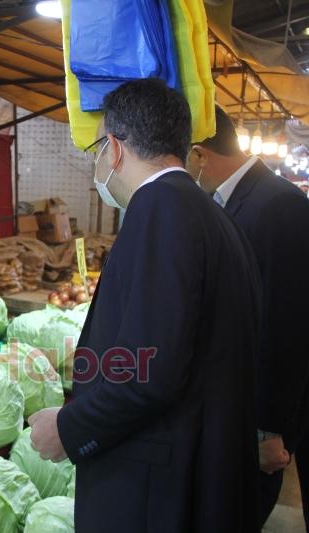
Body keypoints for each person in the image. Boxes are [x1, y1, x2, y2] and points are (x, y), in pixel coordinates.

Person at [29, 79, 261, 532]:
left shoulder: (161, 210)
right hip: (203, 471)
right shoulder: (212, 216)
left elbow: (149, 371)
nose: (99, 163)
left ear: (114, 149)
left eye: (98, 149)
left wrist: (70, 428)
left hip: (158, 489)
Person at [188, 106, 309, 529]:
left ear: (199, 155)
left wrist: (268, 429)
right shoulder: (231, 200)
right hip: (235, 408)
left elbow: (286, 327)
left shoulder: (279, 206)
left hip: (260, 419)